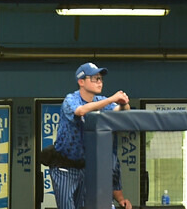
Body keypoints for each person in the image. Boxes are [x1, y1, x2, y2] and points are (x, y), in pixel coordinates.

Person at [49, 62, 131, 209]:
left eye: (100, 79)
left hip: (86, 167)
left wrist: (124, 103)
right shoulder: (71, 100)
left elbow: (121, 111)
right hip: (64, 167)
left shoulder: (101, 101)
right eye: (95, 79)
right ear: (81, 81)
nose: (99, 82)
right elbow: (80, 111)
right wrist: (112, 99)